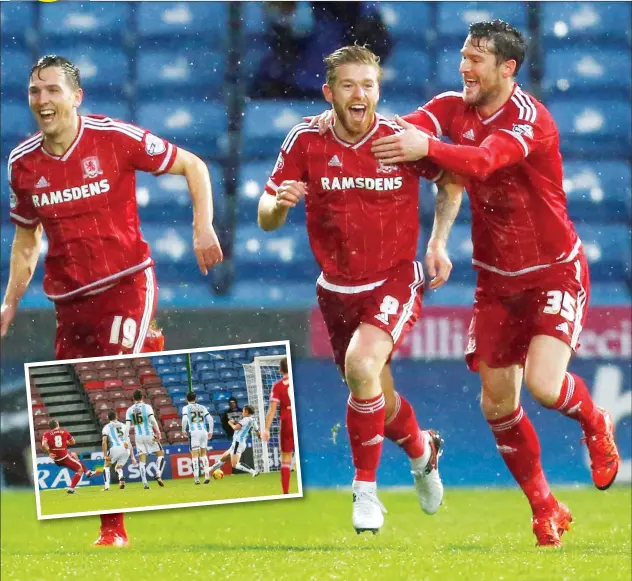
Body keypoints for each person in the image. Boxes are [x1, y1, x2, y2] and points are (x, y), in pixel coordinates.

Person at [309, 21, 620, 547]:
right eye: (462, 55)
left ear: (507, 68)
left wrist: (424, 143)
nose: (463, 68)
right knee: (497, 406)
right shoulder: (454, 106)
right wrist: (344, 122)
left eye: (476, 59)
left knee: (545, 387)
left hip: (552, 271)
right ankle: (545, 508)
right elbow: (399, 133)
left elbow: (479, 161)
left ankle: (595, 419)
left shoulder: (530, 121)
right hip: (496, 280)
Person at [1, 55, 223, 547]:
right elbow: (25, 244)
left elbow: (194, 164)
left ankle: (113, 530)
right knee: (79, 414)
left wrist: (202, 226)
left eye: (53, 90)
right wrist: (9, 303)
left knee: (111, 396)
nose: (43, 100)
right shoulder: (22, 165)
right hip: (69, 301)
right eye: (35, 91)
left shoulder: (113, 138)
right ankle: (149, 346)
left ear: (76, 97)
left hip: (126, 282)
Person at [258, 45, 463, 534]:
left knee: (361, 365)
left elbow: (451, 180)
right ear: (329, 92)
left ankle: (366, 491)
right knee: (375, 395)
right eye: (348, 85)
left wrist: (437, 243)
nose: (360, 94)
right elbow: (266, 217)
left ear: (378, 89)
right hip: (336, 290)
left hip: (394, 277)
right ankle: (422, 449)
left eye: (368, 85)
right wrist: (279, 205)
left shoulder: (399, 138)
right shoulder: (305, 140)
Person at [261, 357, 295, 494]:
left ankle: (286, 492)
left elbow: (272, 409)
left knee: (286, 458)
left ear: (280, 369)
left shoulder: (278, 386)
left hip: (287, 420)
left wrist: (266, 429)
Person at [41, 419, 96, 494]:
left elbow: (43, 445)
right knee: (80, 470)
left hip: (56, 458)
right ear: (57, 424)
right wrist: (65, 442)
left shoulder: (46, 434)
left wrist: (49, 452)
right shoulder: (64, 432)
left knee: (73, 454)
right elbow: (73, 442)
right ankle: (71, 488)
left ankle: (87, 472)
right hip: (64, 458)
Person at [125, 389, 166, 489]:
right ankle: (158, 474)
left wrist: (126, 440)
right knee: (160, 454)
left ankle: (145, 484)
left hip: (138, 437)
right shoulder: (147, 407)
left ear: (133, 398)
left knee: (142, 460)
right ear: (142, 397)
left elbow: (127, 427)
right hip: (149, 434)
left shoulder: (129, 410)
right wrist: (158, 432)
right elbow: (152, 419)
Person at [209, 405, 260, 477]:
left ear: (246, 411)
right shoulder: (253, 420)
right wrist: (260, 436)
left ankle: (253, 471)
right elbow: (257, 432)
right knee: (223, 458)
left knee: (235, 464)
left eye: (243, 411)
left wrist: (230, 423)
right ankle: (209, 469)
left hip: (238, 443)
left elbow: (235, 428)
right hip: (239, 443)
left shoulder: (245, 419)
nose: (242, 412)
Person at [181, 391, 214, 485]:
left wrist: (183, 430)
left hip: (194, 432)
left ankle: (196, 478)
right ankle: (207, 475)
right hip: (203, 431)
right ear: (195, 398)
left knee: (194, 455)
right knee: (203, 454)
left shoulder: (186, 408)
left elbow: (184, 419)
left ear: (186, 399)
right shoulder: (202, 407)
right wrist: (210, 431)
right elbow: (210, 419)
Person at [101, 410, 136, 491]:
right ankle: (121, 478)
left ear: (108, 418)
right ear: (116, 416)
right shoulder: (124, 426)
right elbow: (129, 441)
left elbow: (104, 442)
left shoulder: (106, 427)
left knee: (106, 467)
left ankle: (106, 487)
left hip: (115, 448)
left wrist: (105, 455)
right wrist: (132, 456)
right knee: (118, 467)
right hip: (125, 449)